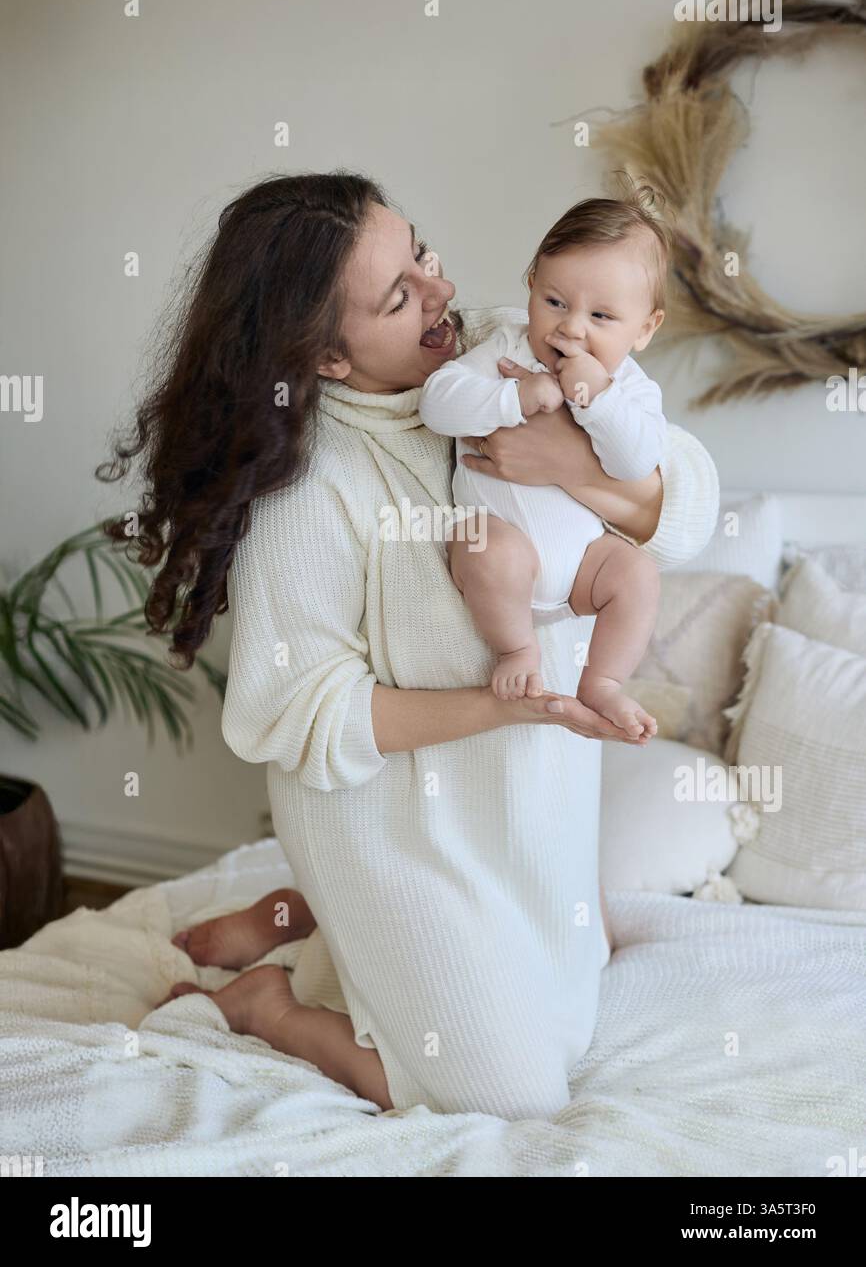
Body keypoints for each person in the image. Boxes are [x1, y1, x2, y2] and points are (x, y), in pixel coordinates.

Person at [102, 171, 719, 1121]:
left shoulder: (499, 345)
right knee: (503, 1092)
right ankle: (270, 1000)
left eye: (421, 254)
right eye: (399, 295)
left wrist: (574, 470)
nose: (441, 292)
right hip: (394, 826)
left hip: (519, 795)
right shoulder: (310, 494)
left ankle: (303, 924)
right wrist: (503, 705)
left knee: (576, 1000)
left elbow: (692, 513)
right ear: (329, 360)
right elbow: (294, 713)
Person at [419, 186, 671, 739]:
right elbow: (437, 404)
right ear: (531, 283)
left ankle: (602, 681)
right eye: (556, 302)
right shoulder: (506, 350)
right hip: (505, 556)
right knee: (484, 542)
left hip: (584, 567)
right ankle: (516, 647)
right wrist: (514, 400)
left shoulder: (630, 388)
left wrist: (599, 401)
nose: (571, 328)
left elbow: (636, 464)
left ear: (645, 329)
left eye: (602, 315)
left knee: (637, 574)